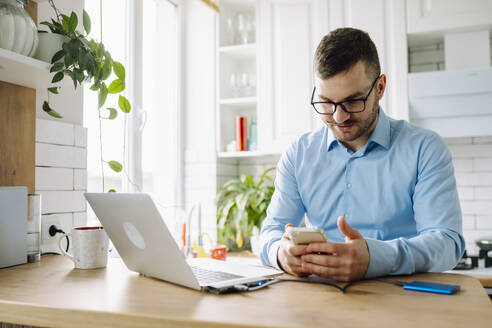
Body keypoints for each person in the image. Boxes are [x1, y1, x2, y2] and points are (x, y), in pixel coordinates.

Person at [259, 27, 465, 282]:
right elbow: (271, 231)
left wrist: (375, 257)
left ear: (380, 87)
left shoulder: (425, 149)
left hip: (400, 304)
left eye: (353, 101)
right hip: (317, 306)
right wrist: (280, 252)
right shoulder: (298, 154)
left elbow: (447, 243)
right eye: (326, 103)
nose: (339, 117)